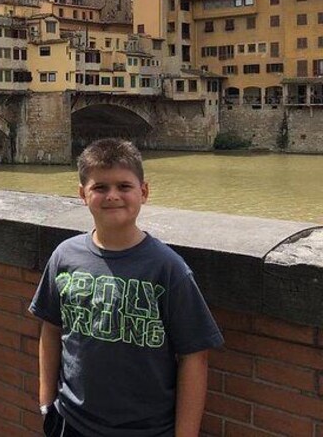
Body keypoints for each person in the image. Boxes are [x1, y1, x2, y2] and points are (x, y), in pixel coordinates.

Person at [29, 138, 223, 437]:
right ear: (82, 194)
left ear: (144, 192)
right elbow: (51, 328)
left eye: (124, 186)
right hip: (72, 422)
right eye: (100, 187)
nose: (112, 196)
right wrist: (46, 403)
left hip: (148, 429)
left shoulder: (168, 268)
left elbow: (194, 357)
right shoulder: (64, 256)